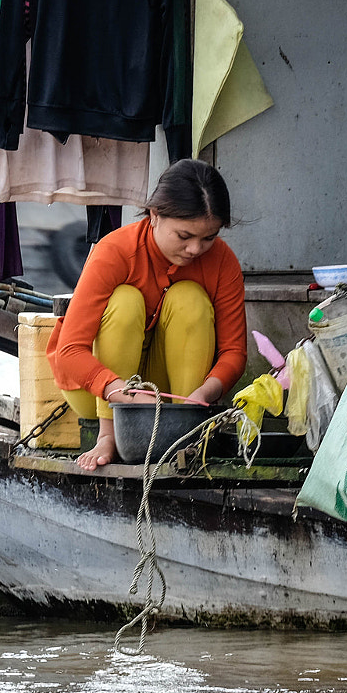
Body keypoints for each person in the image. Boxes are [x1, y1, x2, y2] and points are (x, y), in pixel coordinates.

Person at [47, 159, 247, 470]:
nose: (195, 249)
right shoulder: (114, 251)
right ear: (154, 215)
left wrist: (202, 396)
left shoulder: (223, 262)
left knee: (190, 298)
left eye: (208, 238)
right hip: (96, 390)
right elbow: (70, 352)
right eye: (184, 236)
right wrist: (120, 391)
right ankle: (109, 435)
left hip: (163, 394)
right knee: (125, 300)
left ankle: (186, 433)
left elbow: (234, 352)